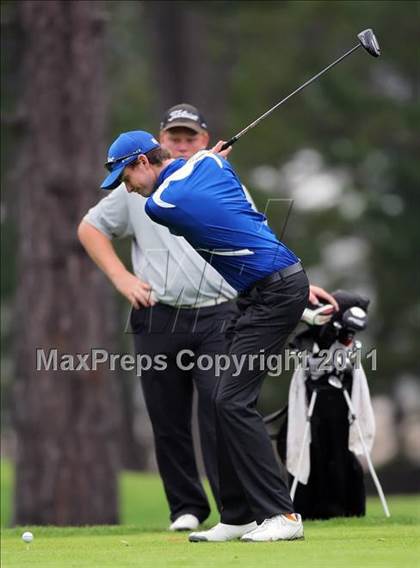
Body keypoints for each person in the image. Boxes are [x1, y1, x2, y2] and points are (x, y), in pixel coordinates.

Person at [98, 128, 336, 542]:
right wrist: (205, 158)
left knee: (231, 400)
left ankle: (283, 515)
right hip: (264, 290)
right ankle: (239, 515)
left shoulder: (162, 204)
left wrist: (203, 159)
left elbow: (179, 185)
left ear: (141, 163)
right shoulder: (210, 166)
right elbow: (204, 165)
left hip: (274, 292)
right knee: (221, 399)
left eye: (125, 178)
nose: (128, 189)